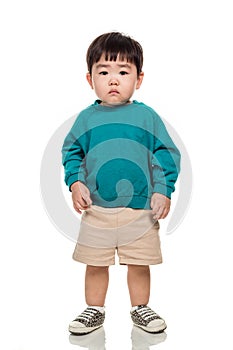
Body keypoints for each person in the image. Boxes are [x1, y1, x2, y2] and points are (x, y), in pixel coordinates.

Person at [62, 32, 181, 335]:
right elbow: (72, 152)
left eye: (123, 72)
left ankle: (140, 308)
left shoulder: (146, 116)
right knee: (95, 263)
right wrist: (76, 184)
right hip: (97, 209)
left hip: (140, 209)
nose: (113, 80)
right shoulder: (86, 119)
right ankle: (94, 309)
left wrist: (162, 190)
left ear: (138, 79)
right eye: (103, 72)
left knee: (139, 263)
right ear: (90, 79)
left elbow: (167, 153)